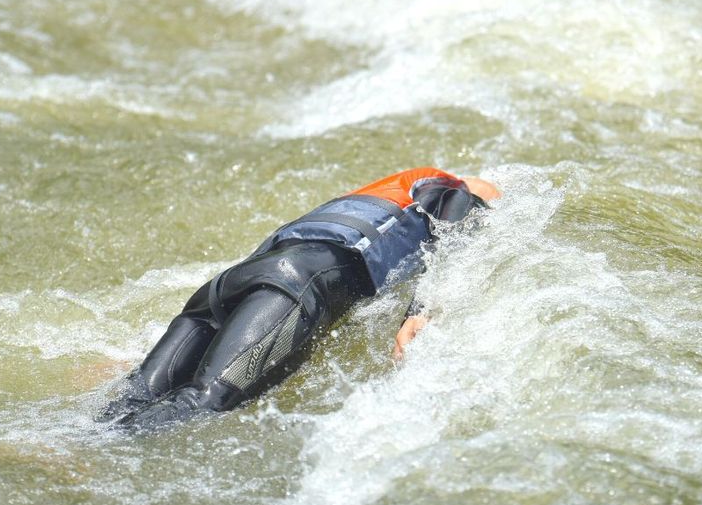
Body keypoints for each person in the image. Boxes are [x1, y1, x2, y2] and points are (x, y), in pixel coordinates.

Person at [97, 167, 501, 430]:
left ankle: (72, 446)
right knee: (203, 402)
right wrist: (418, 312)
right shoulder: (447, 188)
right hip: (293, 286)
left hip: (228, 286)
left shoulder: (380, 192)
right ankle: (83, 459)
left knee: (132, 398)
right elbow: (454, 235)